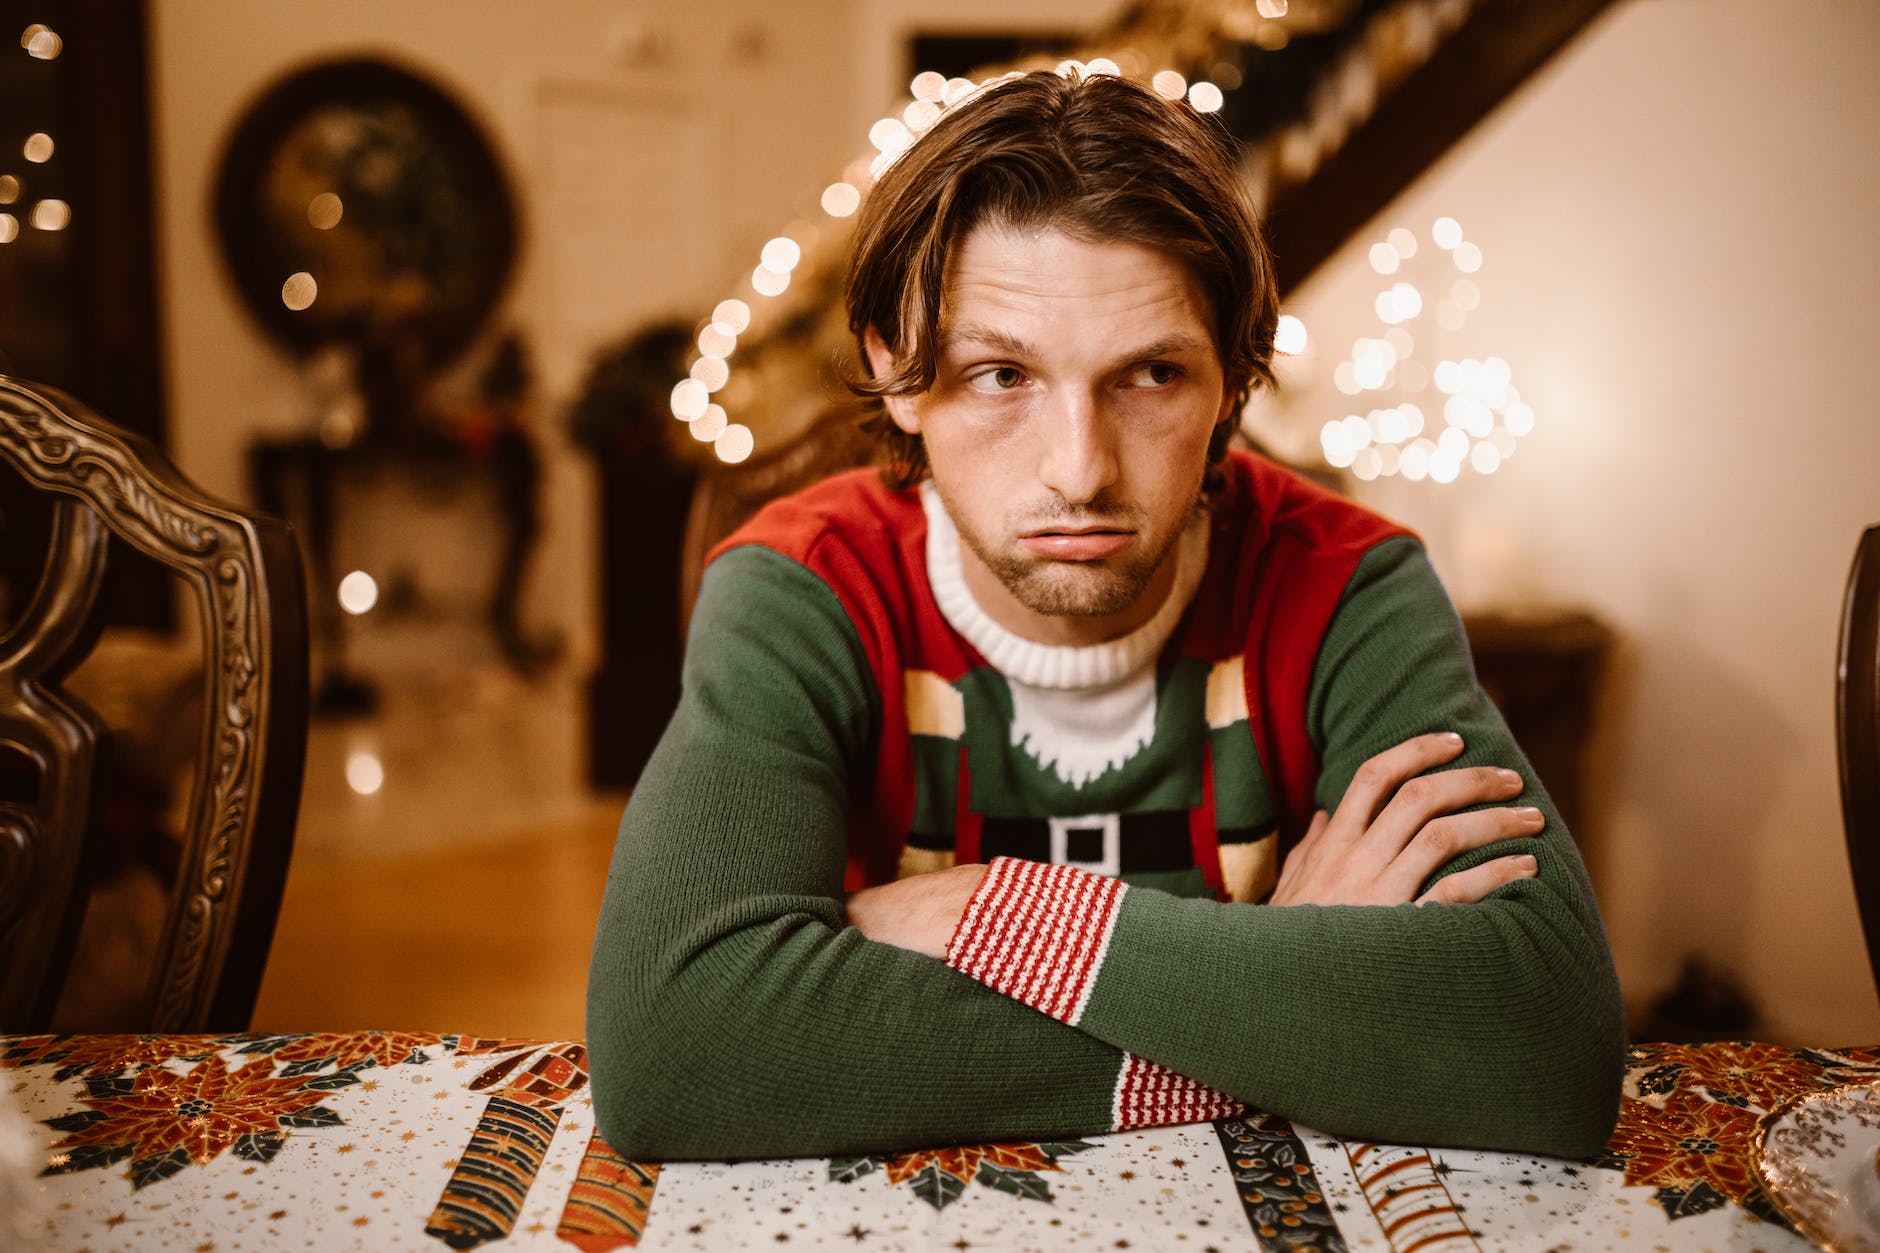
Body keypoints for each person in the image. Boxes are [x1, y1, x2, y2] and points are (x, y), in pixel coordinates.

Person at [586, 67, 1625, 1162]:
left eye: (1149, 374)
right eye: (999, 375)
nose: (1078, 469)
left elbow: (1543, 1051)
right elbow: (678, 1053)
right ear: (896, 374)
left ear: (1228, 378)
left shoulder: (1346, 587)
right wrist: (1284, 993)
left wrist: (1004, 915)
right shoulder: (806, 586)